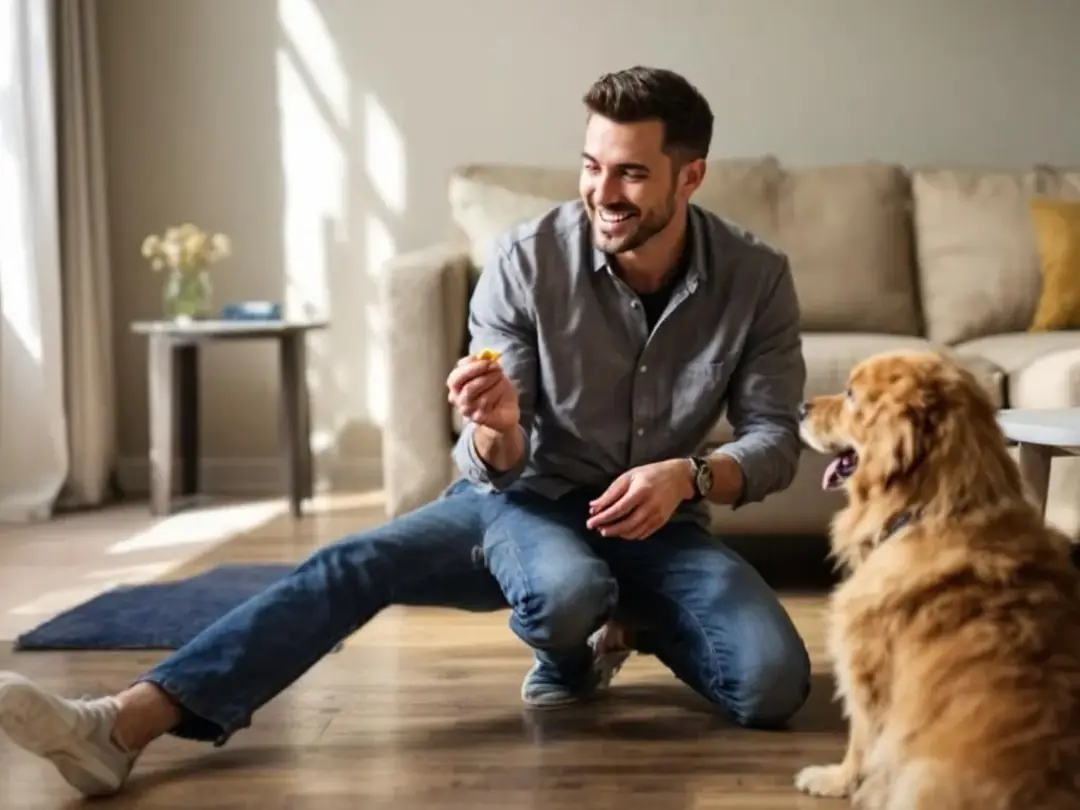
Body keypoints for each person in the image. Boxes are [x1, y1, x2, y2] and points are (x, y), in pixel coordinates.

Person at [0, 65, 810, 798]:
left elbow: (775, 438)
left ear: (690, 176)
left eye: (632, 172)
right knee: (374, 563)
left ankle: (618, 621)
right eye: (592, 166)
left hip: (662, 519)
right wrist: (497, 426)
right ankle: (116, 726)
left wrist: (690, 477)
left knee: (773, 688)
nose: (603, 192)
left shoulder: (755, 276)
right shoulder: (527, 259)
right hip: (526, 504)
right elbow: (498, 460)